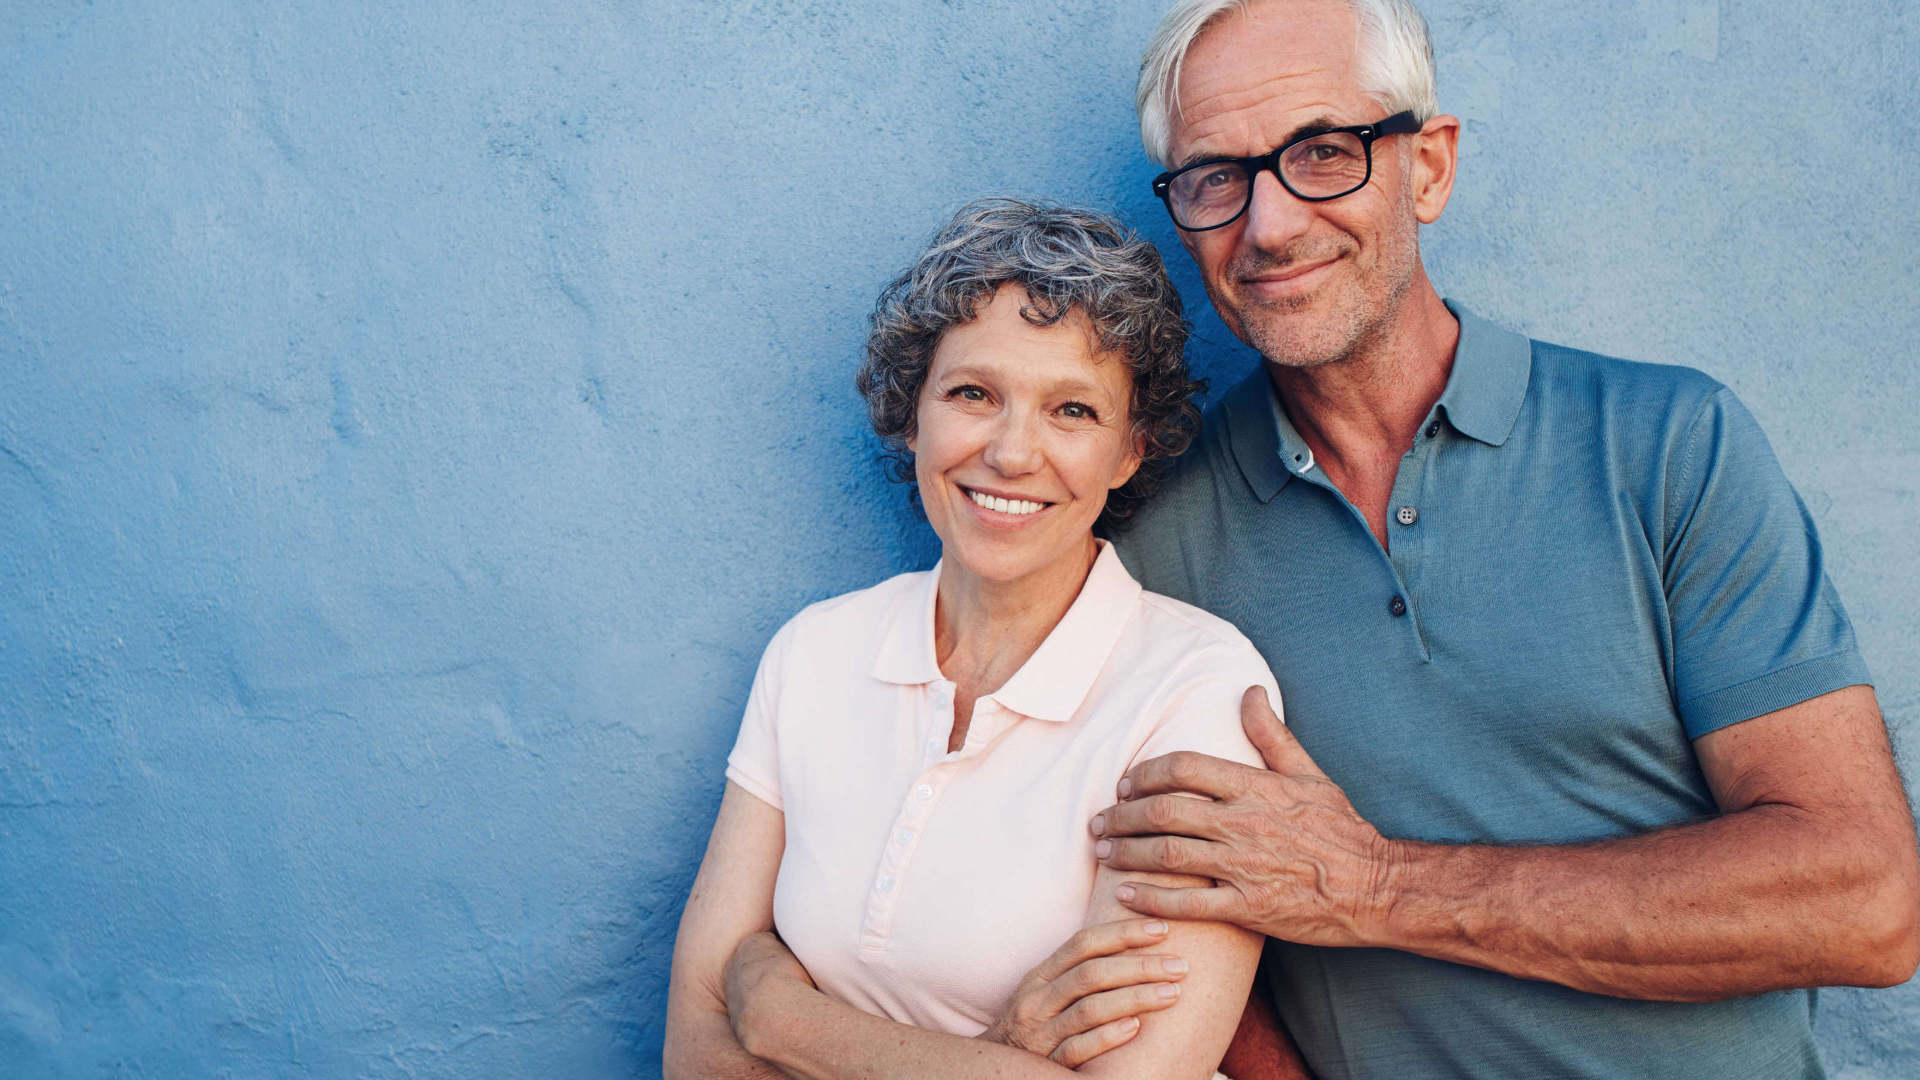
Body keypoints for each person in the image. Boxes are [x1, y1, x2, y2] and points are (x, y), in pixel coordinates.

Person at [1083, 1, 1920, 1077]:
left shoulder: (1668, 446)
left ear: (1428, 167)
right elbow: (1149, 899)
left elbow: (1865, 903)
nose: (1271, 225)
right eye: (1216, 177)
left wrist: (1375, 887)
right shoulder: (1147, 537)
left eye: (1325, 153)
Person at [664, 198, 1289, 1079]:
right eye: (973, 394)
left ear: (1130, 451)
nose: (1012, 452)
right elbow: (695, 1053)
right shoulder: (814, 654)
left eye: (1072, 410)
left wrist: (782, 1019)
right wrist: (997, 1059)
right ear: (912, 412)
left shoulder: (1194, 691)